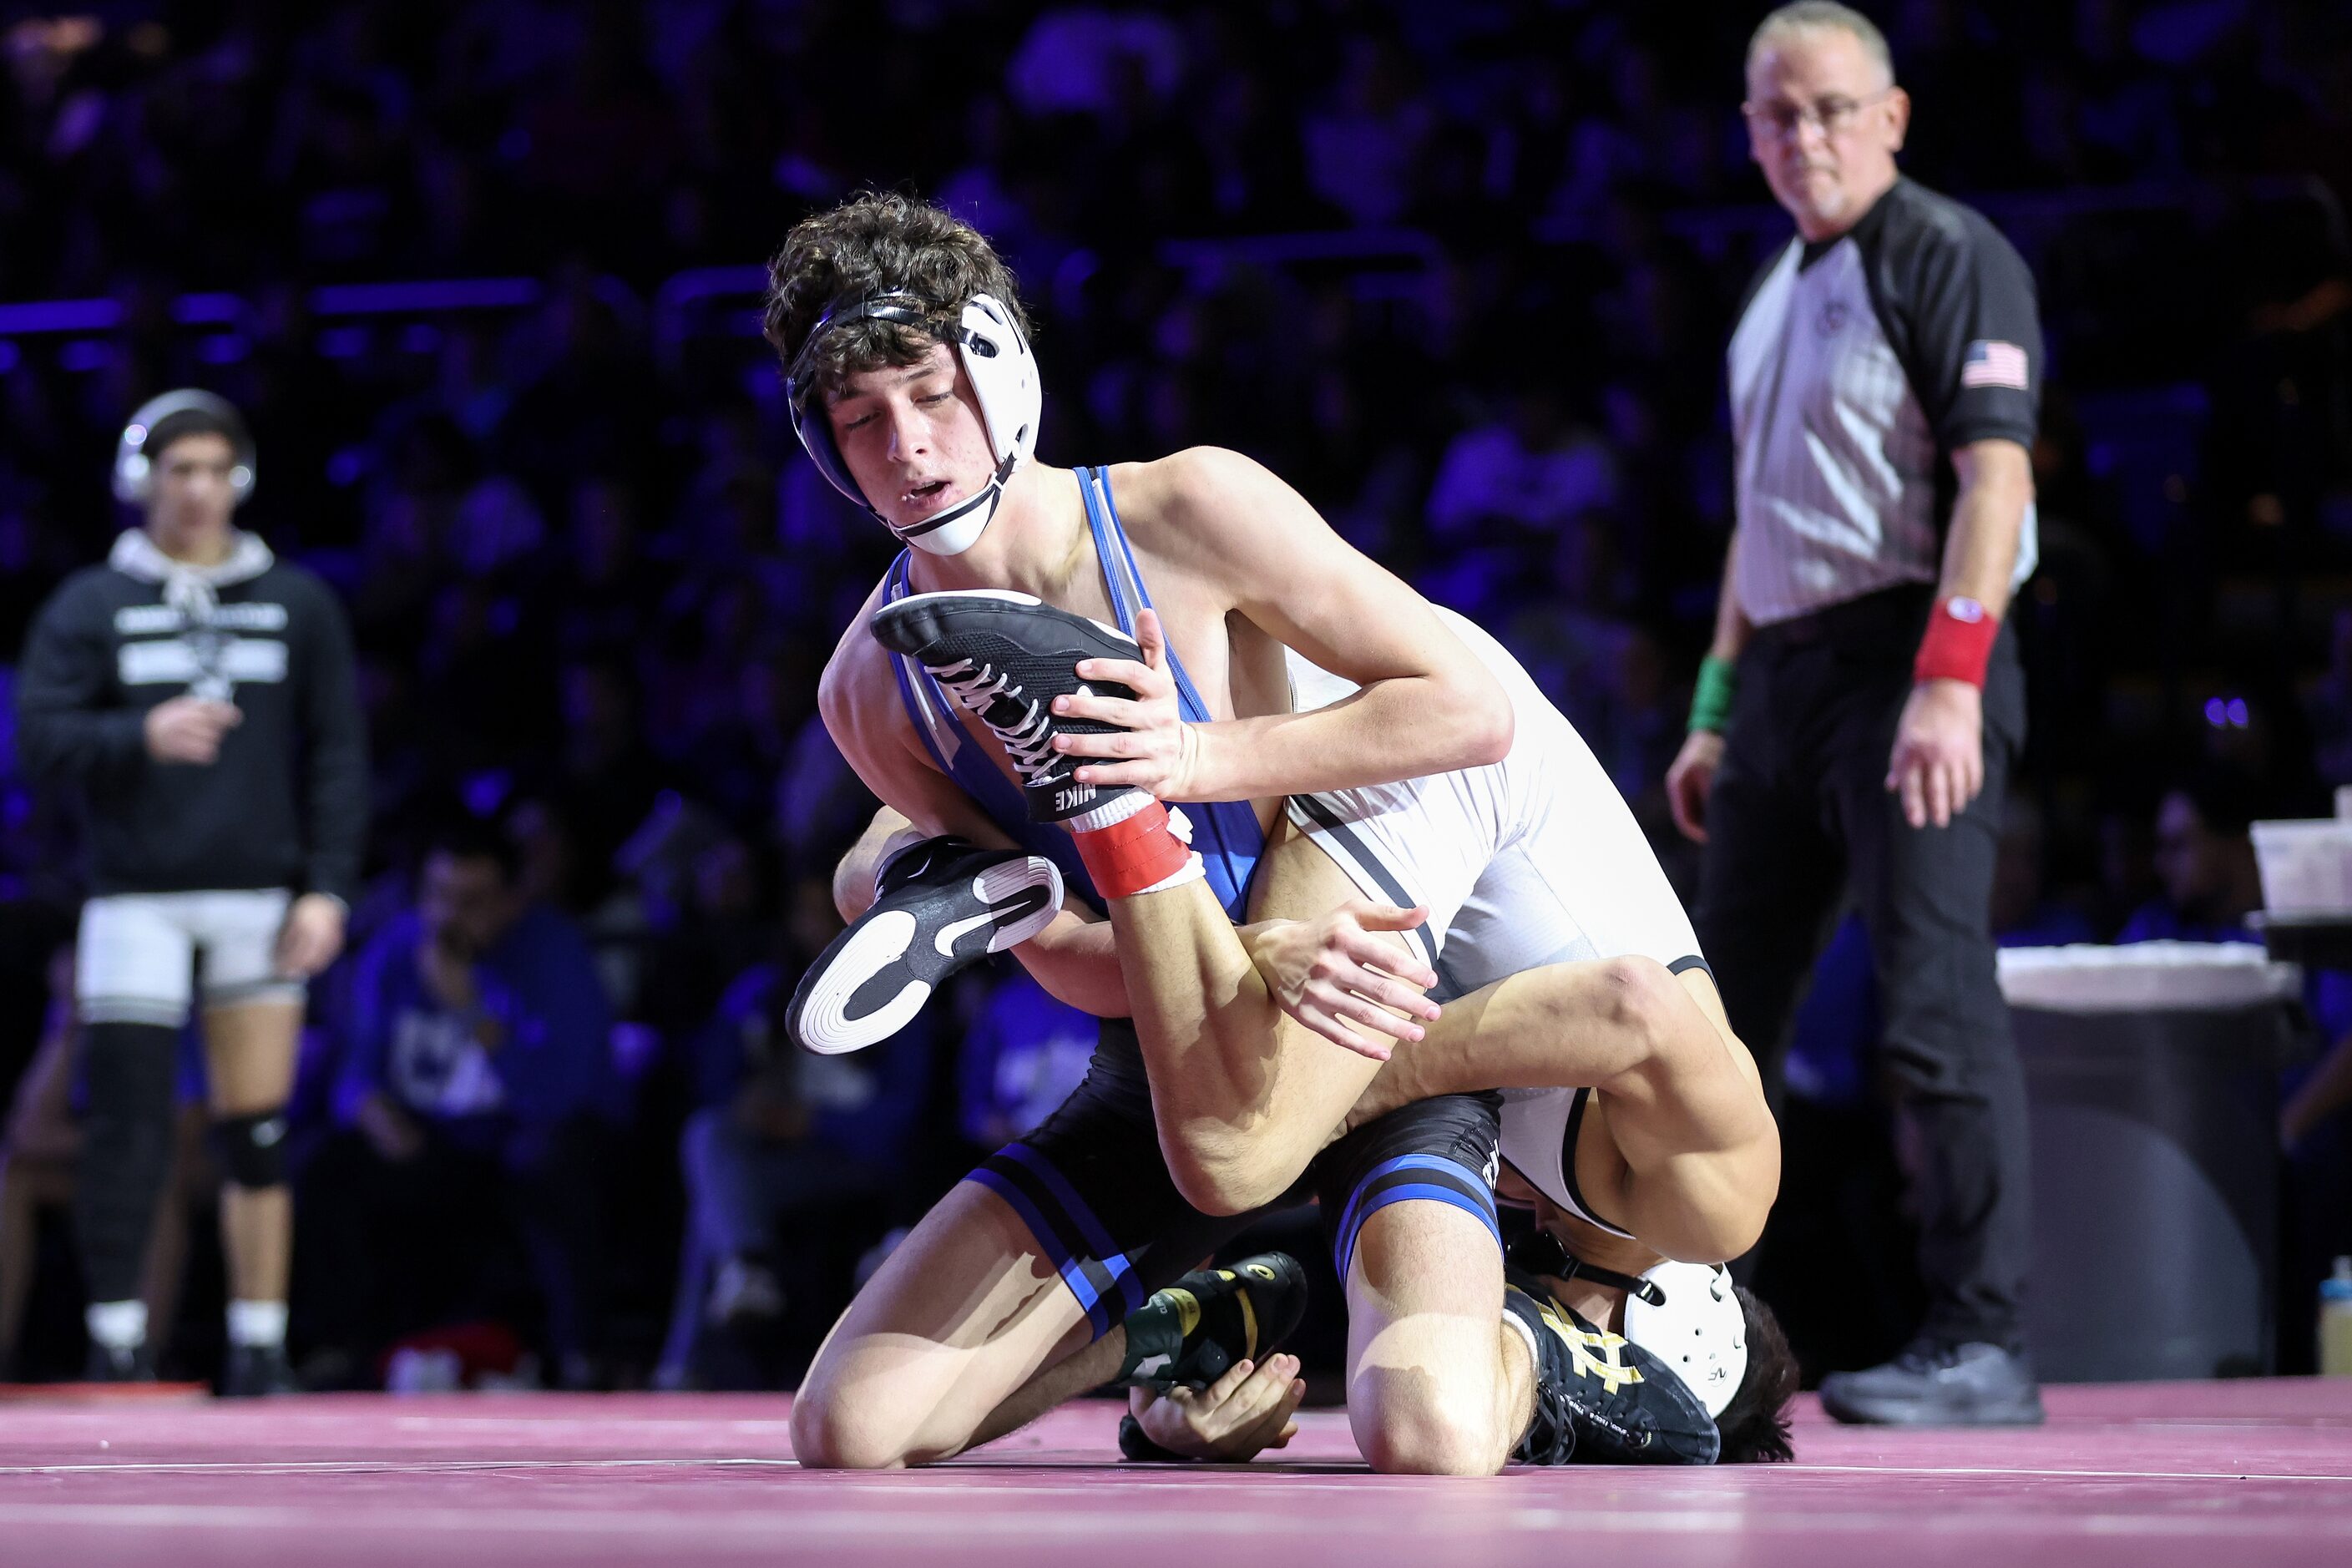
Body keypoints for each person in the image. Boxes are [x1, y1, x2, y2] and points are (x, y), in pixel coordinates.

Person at [768, 193, 1773, 1474]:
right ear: (820, 447)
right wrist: (1129, 936)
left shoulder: (1185, 510)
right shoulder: (871, 690)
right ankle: (1176, 1326)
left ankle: (1065, 826)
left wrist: (1183, 755)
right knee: (851, 1425)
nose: (907, 447)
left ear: (1001, 364)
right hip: (1175, 1047)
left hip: (1341, 1005)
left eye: (929, 393)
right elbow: (1085, 971)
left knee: (1431, 1431)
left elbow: (1469, 701)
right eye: (860, 422)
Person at [1659, 3, 2044, 1425]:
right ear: (1749, 131)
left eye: (1828, 109)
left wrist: (1948, 678)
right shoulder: (1770, 299)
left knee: (1931, 1011)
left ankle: (1983, 1340)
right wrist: (1711, 711)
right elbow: (1757, 527)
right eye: (1776, 114)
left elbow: (1994, 482)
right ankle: (1694, 1337)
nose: (1802, 137)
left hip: (1908, 662)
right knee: (1712, 1031)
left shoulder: (1946, 254)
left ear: (1889, 116)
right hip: (1780, 684)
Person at [15, 390, 366, 1394]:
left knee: (255, 1126)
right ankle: (116, 1336)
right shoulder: (92, 603)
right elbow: (36, 739)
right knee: (124, 1124)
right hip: (133, 898)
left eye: (216, 470)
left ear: (241, 480)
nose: (200, 491)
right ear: (142, 483)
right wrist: (139, 736)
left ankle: (260, 1342)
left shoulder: (296, 600)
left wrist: (328, 891)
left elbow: (338, 754)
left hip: (259, 893)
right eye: (180, 472)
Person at [304, 818, 617, 1387]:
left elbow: (559, 1092)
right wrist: (374, 1113)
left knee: (554, 1159)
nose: (451, 916)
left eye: (472, 901)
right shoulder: (396, 950)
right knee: (329, 1165)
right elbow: (352, 1074)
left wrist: (472, 1007)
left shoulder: (550, 950)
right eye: (439, 897)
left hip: (517, 1132)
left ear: (509, 899)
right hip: (430, 1138)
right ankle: (335, 1353)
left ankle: (581, 1354)